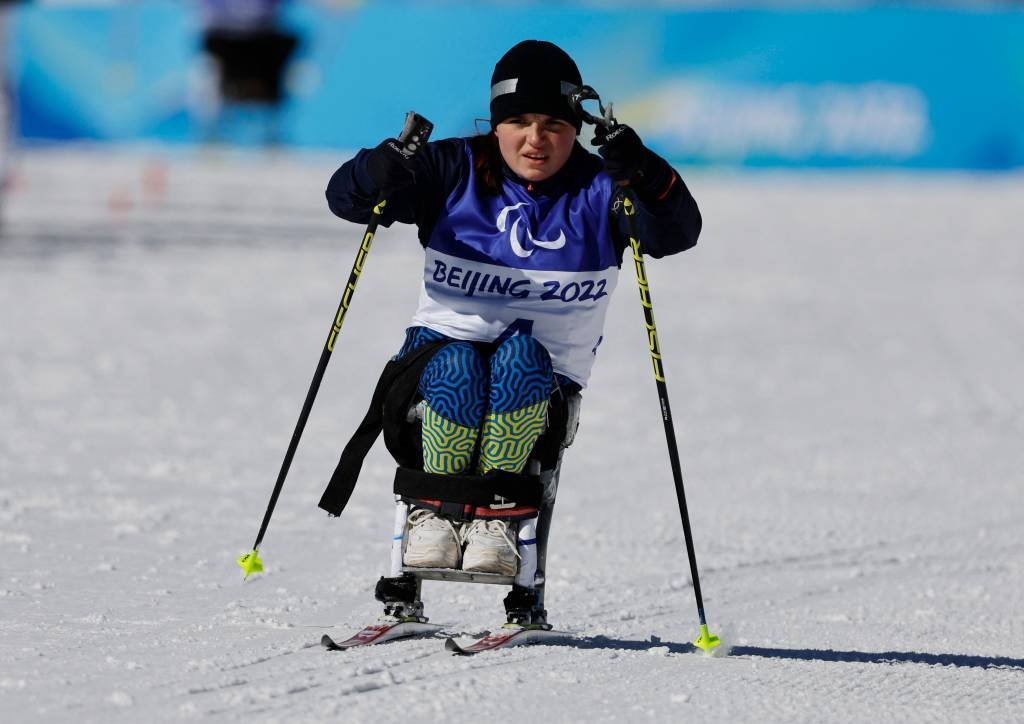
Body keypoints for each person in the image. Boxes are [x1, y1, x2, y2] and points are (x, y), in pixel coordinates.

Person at [322, 40, 701, 580]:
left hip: (542, 379)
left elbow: (677, 233)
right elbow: (346, 199)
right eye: (519, 120)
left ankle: (497, 516)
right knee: (457, 362)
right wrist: (375, 169)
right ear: (495, 124)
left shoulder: (601, 187)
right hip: (435, 361)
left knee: (519, 356)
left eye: (553, 123)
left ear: (577, 128)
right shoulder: (452, 167)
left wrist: (644, 171)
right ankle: (435, 511)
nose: (536, 139)